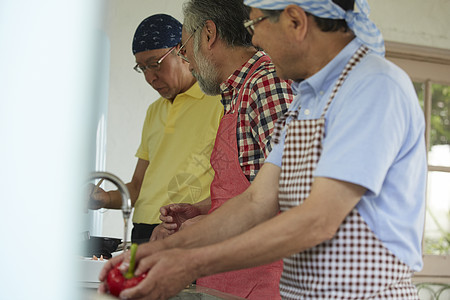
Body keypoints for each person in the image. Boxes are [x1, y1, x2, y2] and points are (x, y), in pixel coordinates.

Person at [99, 1, 427, 299]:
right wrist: (165, 249)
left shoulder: (373, 86)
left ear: (295, 21)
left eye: (255, 25)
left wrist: (189, 262)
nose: (254, 41)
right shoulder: (308, 102)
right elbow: (257, 201)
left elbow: (319, 219)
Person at [150, 0, 293, 298]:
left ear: (208, 34)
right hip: (228, 281)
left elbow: (292, 194)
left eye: (184, 43)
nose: (184, 54)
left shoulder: (266, 84)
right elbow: (257, 183)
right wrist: (204, 209)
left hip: (264, 284)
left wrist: (210, 226)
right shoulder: (238, 92)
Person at [88, 14, 223, 244]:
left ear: (182, 51)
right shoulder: (154, 111)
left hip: (183, 229)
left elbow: (233, 188)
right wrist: (103, 198)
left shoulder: (219, 102)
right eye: (142, 68)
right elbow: (137, 187)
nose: (150, 77)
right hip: (142, 231)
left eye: (154, 64)